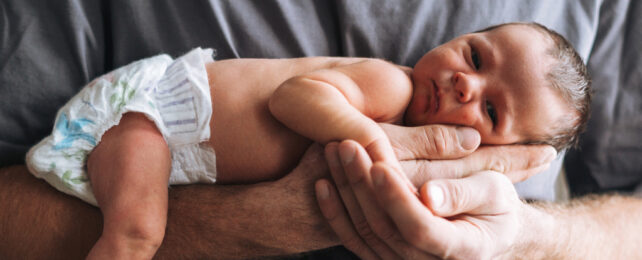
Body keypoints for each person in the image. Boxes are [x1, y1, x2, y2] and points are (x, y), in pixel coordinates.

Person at [24, 22, 589, 259]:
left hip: (173, 153)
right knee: (137, 234)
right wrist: (370, 135)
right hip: (150, 114)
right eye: (474, 55)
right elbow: (292, 98)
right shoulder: (389, 86)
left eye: (490, 109)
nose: (466, 82)